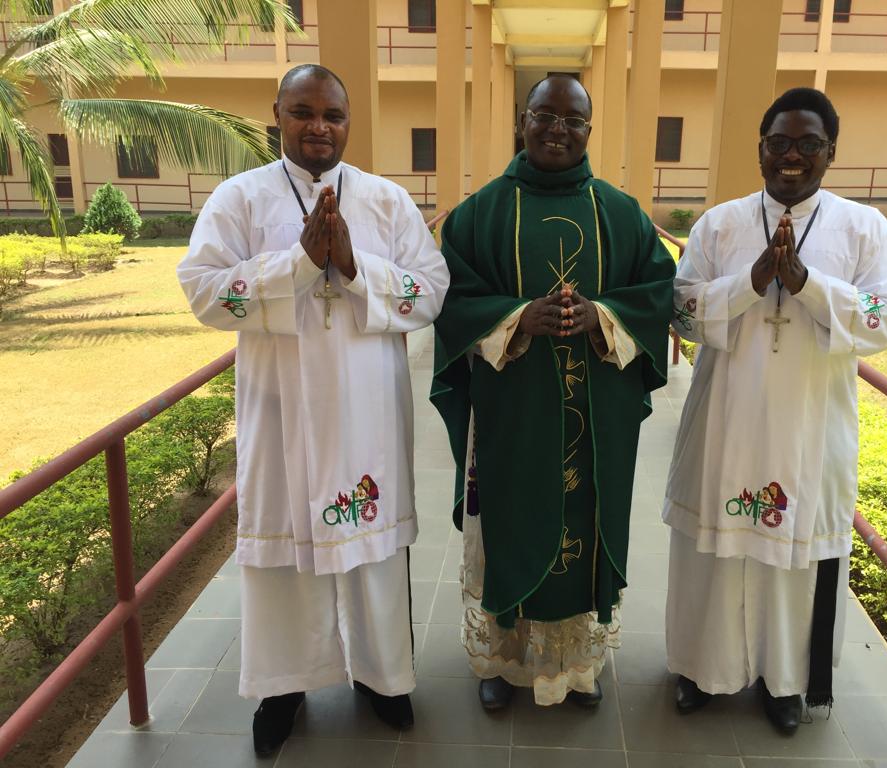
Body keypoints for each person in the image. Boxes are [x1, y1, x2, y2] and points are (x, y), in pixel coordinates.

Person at [177, 64, 449, 755]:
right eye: (303, 112)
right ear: (278, 115)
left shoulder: (385, 202)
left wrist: (358, 267)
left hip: (368, 415)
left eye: (332, 114)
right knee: (284, 554)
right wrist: (296, 265)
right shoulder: (239, 200)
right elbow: (204, 293)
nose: (318, 127)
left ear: (349, 120)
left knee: (373, 549)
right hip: (281, 410)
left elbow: (432, 290)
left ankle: (383, 678)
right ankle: (282, 686)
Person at [662, 87, 887, 733]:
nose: (791, 156)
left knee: (794, 560)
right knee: (713, 554)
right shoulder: (719, 224)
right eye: (779, 142)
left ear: (831, 152)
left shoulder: (865, 229)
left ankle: (786, 683)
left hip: (810, 425)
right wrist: (748, 284)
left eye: (807, 144)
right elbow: (680, 309)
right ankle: (699, 669)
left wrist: (808, 283)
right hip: (726, 418)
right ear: (761, 148)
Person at [431, 74, 675, 710]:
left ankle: (573, 667)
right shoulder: (479, 212)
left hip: (593, 417)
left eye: (574, 120)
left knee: (582, 522)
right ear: (524, 120)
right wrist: (515, 319)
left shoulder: (620, 213)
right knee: (509, 519)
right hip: (511, 414)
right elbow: (450, 298)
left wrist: (604, 317)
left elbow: (656, 295)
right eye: (545, 115)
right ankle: (503, 660)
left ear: (590, 130)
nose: (558, 130)